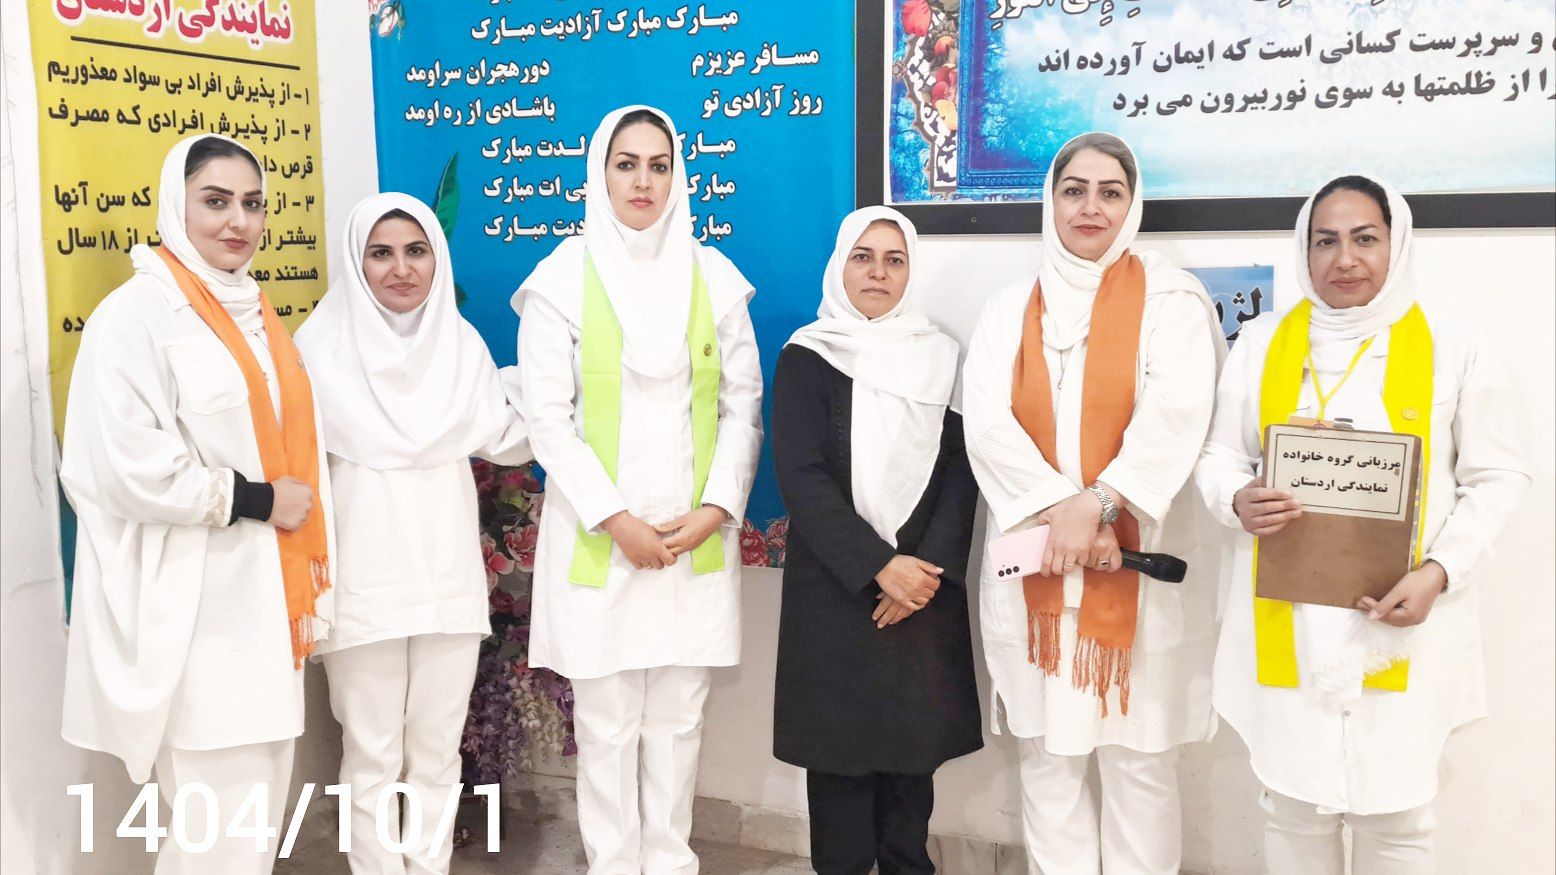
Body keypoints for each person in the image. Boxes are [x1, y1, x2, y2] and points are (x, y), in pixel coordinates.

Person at [1194, 174, 1530, 875]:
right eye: (1326, 241)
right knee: (1292, 809)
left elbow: (1498, 474)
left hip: (1406, 611)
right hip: (1288, 618)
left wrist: (1441, 570)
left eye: (1364, 238)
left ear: (1395, 243)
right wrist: (1235, 497)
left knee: (1398, 817)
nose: (1345, 259)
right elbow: (1220, 455)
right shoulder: (1263, 342)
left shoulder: (1454, 341)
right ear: (1305, 251)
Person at [58, 133, 332, 874]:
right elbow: (121, 466)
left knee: (252, 829)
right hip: (198, 617)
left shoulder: (254, 313)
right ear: (174, 207)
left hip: (265, 610)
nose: (239, 221)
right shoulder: (135, 317)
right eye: (215, 201)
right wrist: (254, 498)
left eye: (253, 204)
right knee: (218, 835)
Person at [961, 132, 1225, 874]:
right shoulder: (1008, 308)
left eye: (1110, 192)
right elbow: (987, 424)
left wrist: (1101, 504)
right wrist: (1062, 511)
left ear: (1132, 205)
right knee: (1047, 759)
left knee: (1139, 759)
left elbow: (1178, 413)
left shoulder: (1171, 300)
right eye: (1074, 190)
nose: (1091, 207)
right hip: (1033, 563)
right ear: (1051, 200)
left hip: (1136, 566)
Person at [511, 105, 763, 875]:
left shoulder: (713, 278)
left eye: (659, 164)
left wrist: (716, 508)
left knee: (679, 720)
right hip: (602, 542)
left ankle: (671, 861)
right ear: (601, 173)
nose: (643, 180)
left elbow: (743, 406)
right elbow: (547, 419)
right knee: (608, 722)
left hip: (693, 540)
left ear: (678, 174)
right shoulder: (559, 281)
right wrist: (617, 519)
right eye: (627, 164)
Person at [294, 192, 530, 874]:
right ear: (356, 262)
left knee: (435, 750)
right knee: (371, 751)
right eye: (381, 253)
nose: (401, 269)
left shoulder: (460, 347)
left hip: (445, 578)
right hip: (362, 583)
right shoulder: (316, 354)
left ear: (437, 260)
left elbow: (508, 437)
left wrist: (562, 381)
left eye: (416, 251)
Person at [772, 206, 982, 874]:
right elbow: (800, 476)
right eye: (863, 257)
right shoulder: (808, 355)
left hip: (921, 591)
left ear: (910, 272)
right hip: (837, 589)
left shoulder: (943, 357)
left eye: (894, 260)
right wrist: (877, 566)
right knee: (839, 765)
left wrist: (924, 572)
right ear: (841, 266)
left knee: (910, 763)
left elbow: (962, 472)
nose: (878, 272)